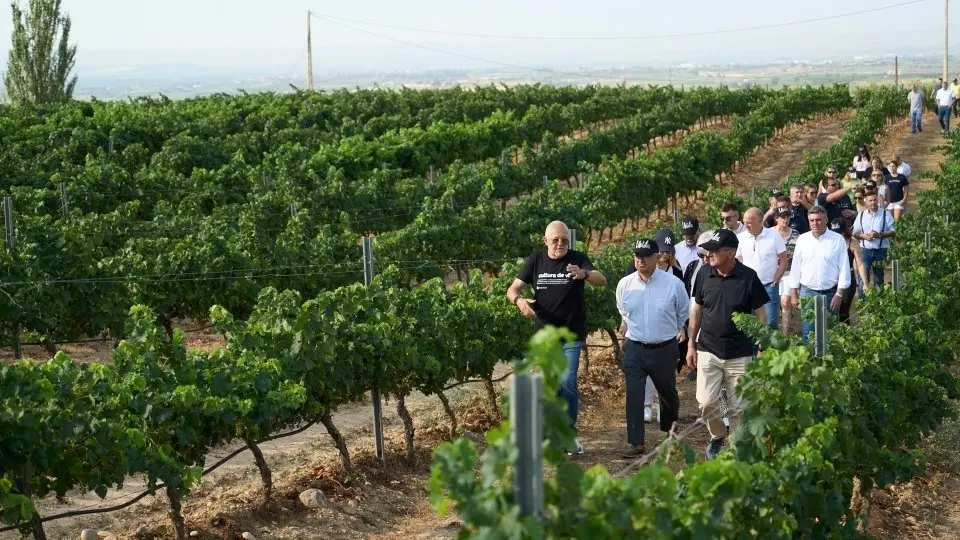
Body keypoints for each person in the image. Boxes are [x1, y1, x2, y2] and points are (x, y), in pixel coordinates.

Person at [508, 220, 607, 455]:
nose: (560, 243)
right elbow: (512, 289)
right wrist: (519, 301)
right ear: (545, 241)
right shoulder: (535, 260)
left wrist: (584, 274)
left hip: (571, 335)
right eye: (555, 240)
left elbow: (601, 280)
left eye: (564, 239)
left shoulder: (577, 258)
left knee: (567, 382)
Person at [687, 229, 769, 459]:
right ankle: (717, 435)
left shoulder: (748, 277)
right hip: (708, 349)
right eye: (708, 250)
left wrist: (761, 345)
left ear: (731, 252)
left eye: (715, 250)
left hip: (740, 352)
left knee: (739, 407)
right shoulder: (704, 274)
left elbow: (762, 315)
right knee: (705, 402)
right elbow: (697, 310)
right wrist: (691, 344)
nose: (709, 254)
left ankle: (736, 449)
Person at [615, 238, 689, 458]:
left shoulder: (673, 284)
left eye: (646, 256)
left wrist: (671, 331)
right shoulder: (625, 284)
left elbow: (682, 313)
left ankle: (670, 434)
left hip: (664, 348)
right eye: (637, 256)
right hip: (635, 347)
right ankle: (636, 442)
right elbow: (623, 311)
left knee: (667, 393)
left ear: (657, 257)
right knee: (634, 394)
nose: (641, 261)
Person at [787, 206, 851, 343]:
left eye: (818, 220)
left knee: (830, 331)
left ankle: (828, 362)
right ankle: (809, 361)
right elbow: (796, 267)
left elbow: (844, 268)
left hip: (831, 293)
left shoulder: (837, 239)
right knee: (808, 331)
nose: (815, 223)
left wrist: (839, 294)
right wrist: (793, 293)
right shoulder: (803, 239)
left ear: (826, 220)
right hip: (808, 292)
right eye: (812, 220)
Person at [736, 208, 787, 331]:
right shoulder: (740, 238)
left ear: (760, 221)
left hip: (768, 287)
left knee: (770, 325)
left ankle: (769, 351)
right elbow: (736, 261)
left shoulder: (774, 236)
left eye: (749, 222)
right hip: (747, 288)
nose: (745, 225)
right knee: (750, 326)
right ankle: (753, 351)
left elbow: (784, 260)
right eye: (744, 222)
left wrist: (776, 281)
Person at [852, 190, 896, 291]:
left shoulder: (886, 214)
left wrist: (879, 234)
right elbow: (854, 233)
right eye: (870, 200)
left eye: (875, 200)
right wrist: (863, 236)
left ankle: (877, 303)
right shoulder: (861, 215)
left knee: (879, 278)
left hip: (881, 250)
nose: (873, 202)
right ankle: (862, 303)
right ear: (866, 202)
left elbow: (893, 232)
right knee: (862, 278)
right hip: (864, 250)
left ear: (878, 201)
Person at [829, 218, 868, 324]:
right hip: (831, 278)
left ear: (844, 230)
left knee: (843, 311)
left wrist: (864, 283)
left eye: (840, 232)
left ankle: (844, 336)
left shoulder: (852, 242)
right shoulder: (828, 242)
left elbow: (860, 264)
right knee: (830, 310)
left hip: (847, 278)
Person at [773, 206, 800, 333]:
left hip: (789, 272)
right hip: (772, 272)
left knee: (785, 302)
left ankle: (784, 333)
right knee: (774, 303)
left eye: (788, 216)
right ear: (776, 218)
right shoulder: (769, 233)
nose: (786, 219)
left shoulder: (795, 234)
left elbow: (800, 253)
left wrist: (791, 256)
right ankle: (774, 329)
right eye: (783, 217)